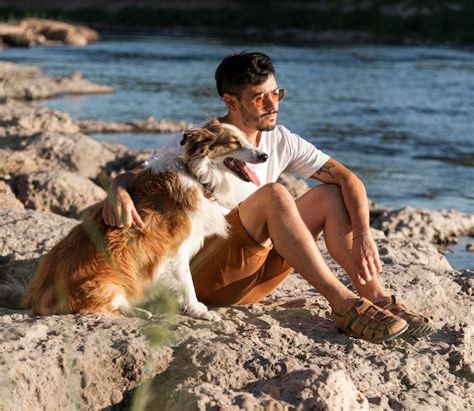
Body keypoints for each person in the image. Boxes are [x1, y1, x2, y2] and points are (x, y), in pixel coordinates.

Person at [102, 52, 434, 342]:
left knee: (330, 195)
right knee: (274, 194)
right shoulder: (205, 139)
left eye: (276, 93)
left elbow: (348, 178)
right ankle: (343, 304)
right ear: (231, 102)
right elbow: (139, 173)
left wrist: (363, 233)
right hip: (209, 279)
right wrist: (118, 187)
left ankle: (374, 296)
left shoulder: (282, 140)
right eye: (260, 97)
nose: (273, 104)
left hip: (257, 276)